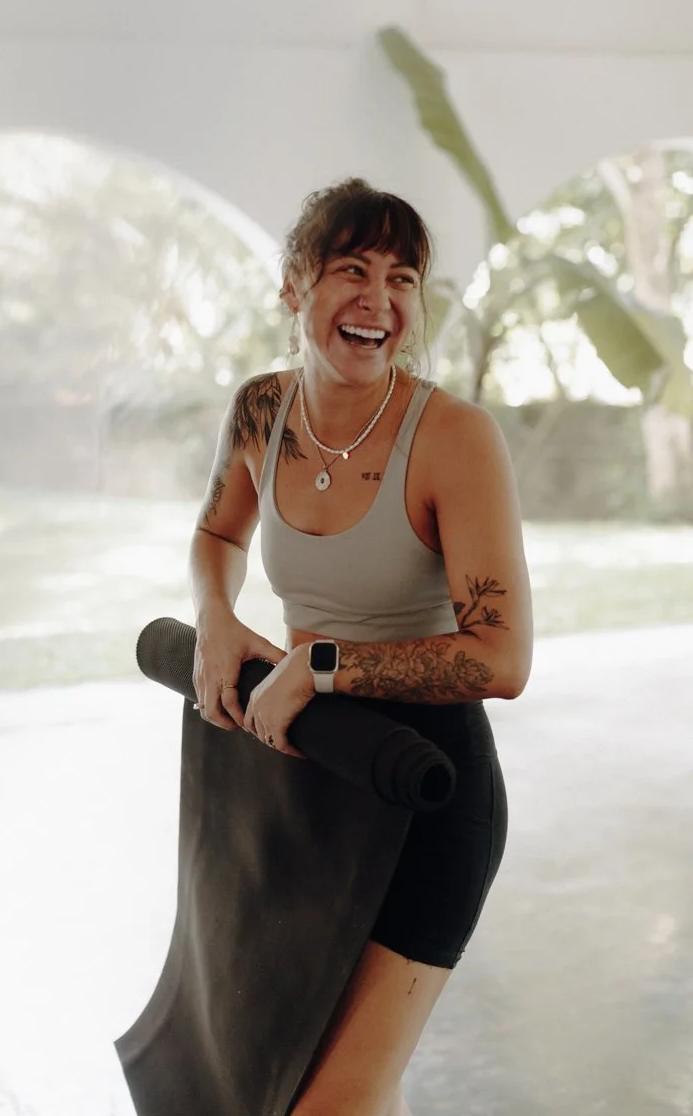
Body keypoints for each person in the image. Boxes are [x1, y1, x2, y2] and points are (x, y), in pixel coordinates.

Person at [189, 178, 533, 1116]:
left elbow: (502, 660)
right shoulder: (261, 411)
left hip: (429, 786)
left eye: (402, 277)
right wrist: (216, 616)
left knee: (336, 1099)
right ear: (295, 286)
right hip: (313, 769)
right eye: (351, 269)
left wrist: (323, 664)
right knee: (295, 1075)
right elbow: (217, 534)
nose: (378, 300)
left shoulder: (455, 438)